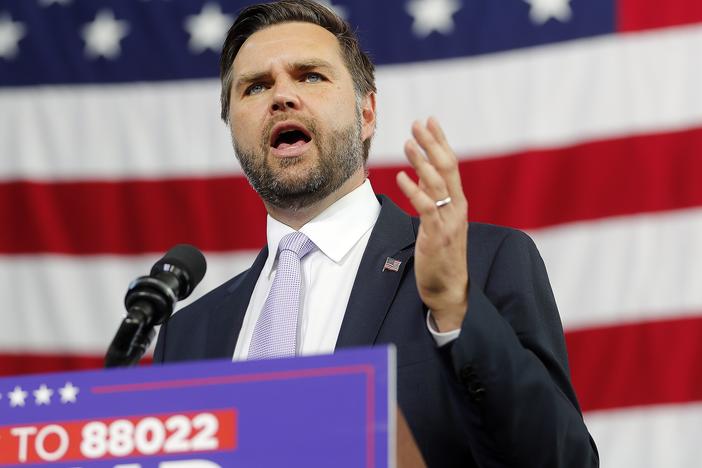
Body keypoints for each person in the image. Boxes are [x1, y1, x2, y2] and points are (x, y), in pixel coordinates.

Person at [154, 1, 599, 466]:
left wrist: (455, 312)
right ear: (233, 128)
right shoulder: (186, 336)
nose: (281, 96)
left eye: (310, 76)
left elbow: (562, 460)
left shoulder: (482, 266)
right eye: (256, 86)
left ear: (367, 112)